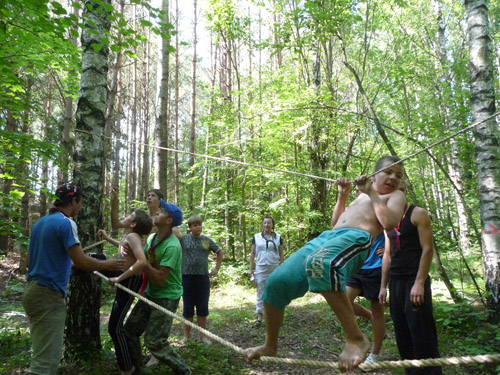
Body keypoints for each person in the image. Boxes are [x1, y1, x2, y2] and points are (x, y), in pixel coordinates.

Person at [245, 156, 406, 372]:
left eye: (398, 175)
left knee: (321, 263)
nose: (394, 178)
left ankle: (356, 339)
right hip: (329, 237)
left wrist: (372, 193)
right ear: (375, 174)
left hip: (358, 238)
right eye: (389, 172)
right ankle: (270, 345)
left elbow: (389, 223)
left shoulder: (395, 195)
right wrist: (343, 196)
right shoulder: (361, 196)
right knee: (276, 282)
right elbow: (336, 223)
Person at [22, 183, 125, 375]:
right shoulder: (66, 223)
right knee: (45, 365)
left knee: (41, 355)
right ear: (74, 201)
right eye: (81, 202)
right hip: (48, 295)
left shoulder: (41, 223)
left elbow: (48, 258)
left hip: (32, 291)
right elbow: (81, 261)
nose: (81, 207)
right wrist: (107, 265)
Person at [124, 199, 191, 375]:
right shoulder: (152, 238)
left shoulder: (172, 246)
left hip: (167, 296)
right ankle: (140, 370)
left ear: (169, 221)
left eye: (162, 212)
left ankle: (184, 370)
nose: (157, 212)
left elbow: (160, 278)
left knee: (155, 341)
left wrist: (143, 263)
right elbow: (142, 258)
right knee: (129, 331)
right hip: (150, 293)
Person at [379, 204, 442, 375]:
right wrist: (383, 286)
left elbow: (428, 249)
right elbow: (387, 255)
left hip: (414, 281)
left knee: (422, 334)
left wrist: (419, 282)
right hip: (395, 283)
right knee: (402, 334)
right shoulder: (388, 220)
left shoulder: (418, 214)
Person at [98, 209, 153, 375]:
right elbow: (125, 248)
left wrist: (119, 278)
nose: (127, 214)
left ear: (133, 224)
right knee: (96, 259)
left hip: (129, 281)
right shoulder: (129, 236)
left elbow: (142, 261)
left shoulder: (132, 236)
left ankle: (127, 368)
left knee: (115, 328)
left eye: (130, 215)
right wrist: (108, 239)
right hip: (124, 276)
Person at [180, 215, 223, 344]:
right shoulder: (183, 239)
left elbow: (219, 252)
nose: (197, 227)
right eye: (194, 225)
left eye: (199, 224)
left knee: (202, 306)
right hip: (186, 277)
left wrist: (216, 269)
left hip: (202, 277)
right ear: (190, 227)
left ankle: (203, 336)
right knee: (188, 307)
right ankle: (186, 336)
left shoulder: (206, 240)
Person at [345, 232, 386, 365]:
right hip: (357, 265)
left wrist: (391, 251)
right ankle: (370, 318)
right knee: (344, 302)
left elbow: (398, 233)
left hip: (377, 266)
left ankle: (374, 355)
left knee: (377, 311)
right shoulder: (356, 212)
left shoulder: (383, 213)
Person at [248, 216, 284, 323]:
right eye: (265, 223)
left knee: (275, 289)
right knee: (260, 290)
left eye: (269, 223)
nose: (267, 225)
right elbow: (253, 253)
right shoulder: (256, 237)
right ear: (262, 224)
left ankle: (274, 314)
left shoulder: (278, 237)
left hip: (274, 267)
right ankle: (259, 314)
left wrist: (282, 267)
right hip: (261, 267)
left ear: (273, 225)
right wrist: (250, 269)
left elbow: (281, 253)